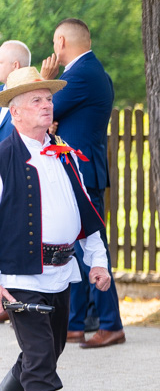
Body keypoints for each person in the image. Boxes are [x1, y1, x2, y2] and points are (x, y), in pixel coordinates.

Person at [0, 67, 112, 391]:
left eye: (48, 99)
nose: (46, 105)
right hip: (19, 276)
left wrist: (97, 259)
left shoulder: (64, 153)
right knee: (40, 358)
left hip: (62, 271)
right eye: (36, 100)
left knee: (46, 352)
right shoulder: (3, 158)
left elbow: (86, 211)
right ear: (15, 113)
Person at [41, 18, 124, 349]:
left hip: (82, 174)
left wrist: (44, 82)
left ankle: (111, 323)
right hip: (78, 172)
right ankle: (75, 323)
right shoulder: (91, 72)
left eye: (53, 43)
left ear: (61, 42)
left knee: (92, 250)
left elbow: (45, 110)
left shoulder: (80, 74)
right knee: (75, 249)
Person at [0, 40, 32, 325]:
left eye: (0, 62)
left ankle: (10, 301)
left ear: (14, 66)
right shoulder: (2, 98)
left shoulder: (25, 107)